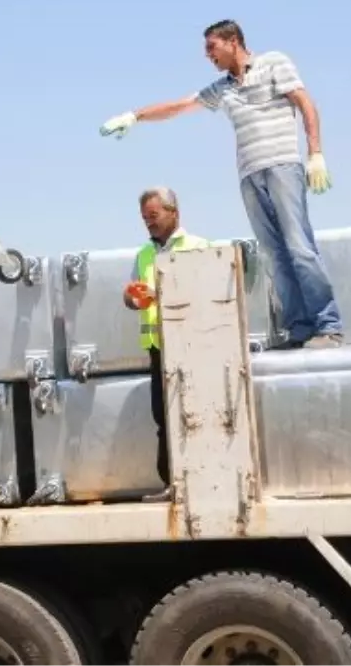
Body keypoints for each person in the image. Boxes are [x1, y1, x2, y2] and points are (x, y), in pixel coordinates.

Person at [100, 20, 343, 350]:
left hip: (282, 165)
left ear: (233, 42)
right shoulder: (223, 88)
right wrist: (134, 116)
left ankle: (328, 325)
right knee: (274, 253)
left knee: (299, 246)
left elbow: (305, 103)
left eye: (212, 48)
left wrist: (315, 152)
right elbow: (181, 106)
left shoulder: (274, 62)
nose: (208, 56)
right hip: (249, 175)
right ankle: (299, 328)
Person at [124, 187, 208, 503]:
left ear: (174, 212)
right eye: (145, 218)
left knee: (197, 413)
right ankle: (172, 483)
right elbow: (131, 297)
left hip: (195, 346)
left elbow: (208, 289)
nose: (149, 224)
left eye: (154, 216)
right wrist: (132, 297)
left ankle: (202, 477)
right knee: (164, 417)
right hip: (159, 349)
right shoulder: (144, 255)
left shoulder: (199, 247)